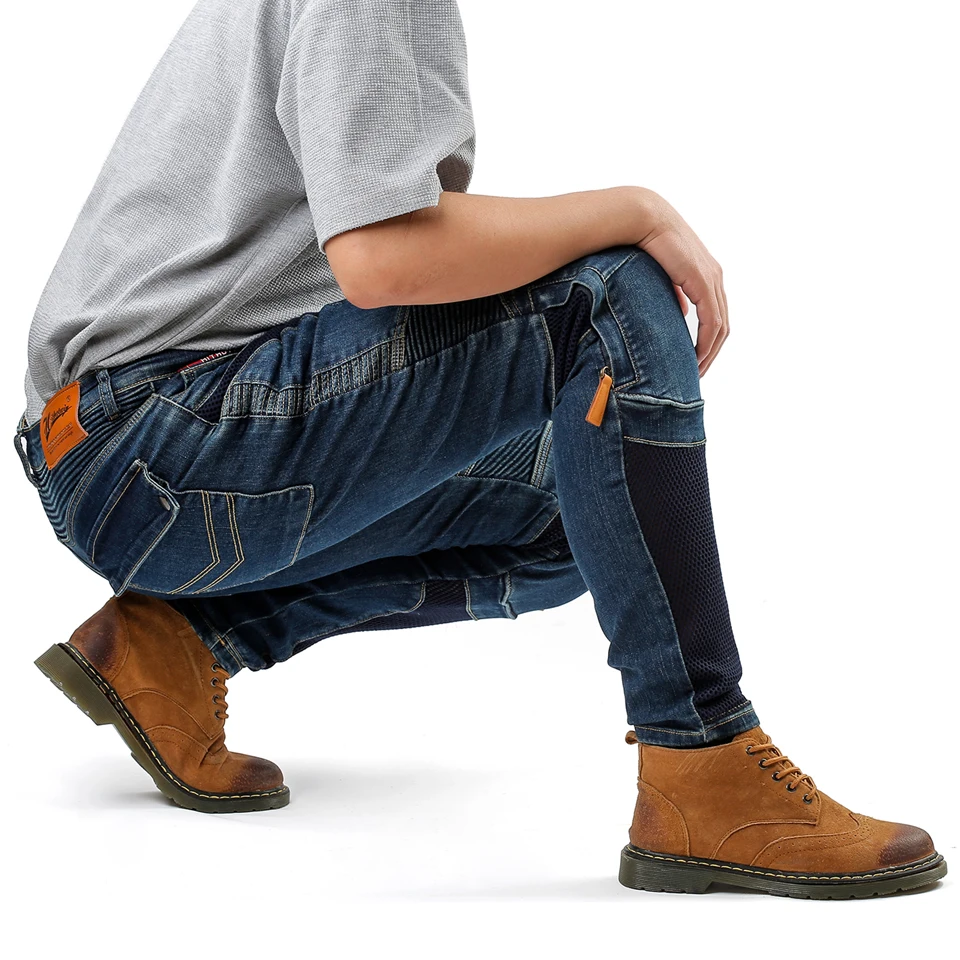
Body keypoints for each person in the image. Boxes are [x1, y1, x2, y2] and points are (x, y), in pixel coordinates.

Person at [13, 0, 945, 899]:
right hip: (159, 442)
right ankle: (704, 755)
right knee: (611, 290)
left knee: (582, 513)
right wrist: (638, 209)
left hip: (130, 460)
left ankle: (177, 644)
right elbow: (383, 256)